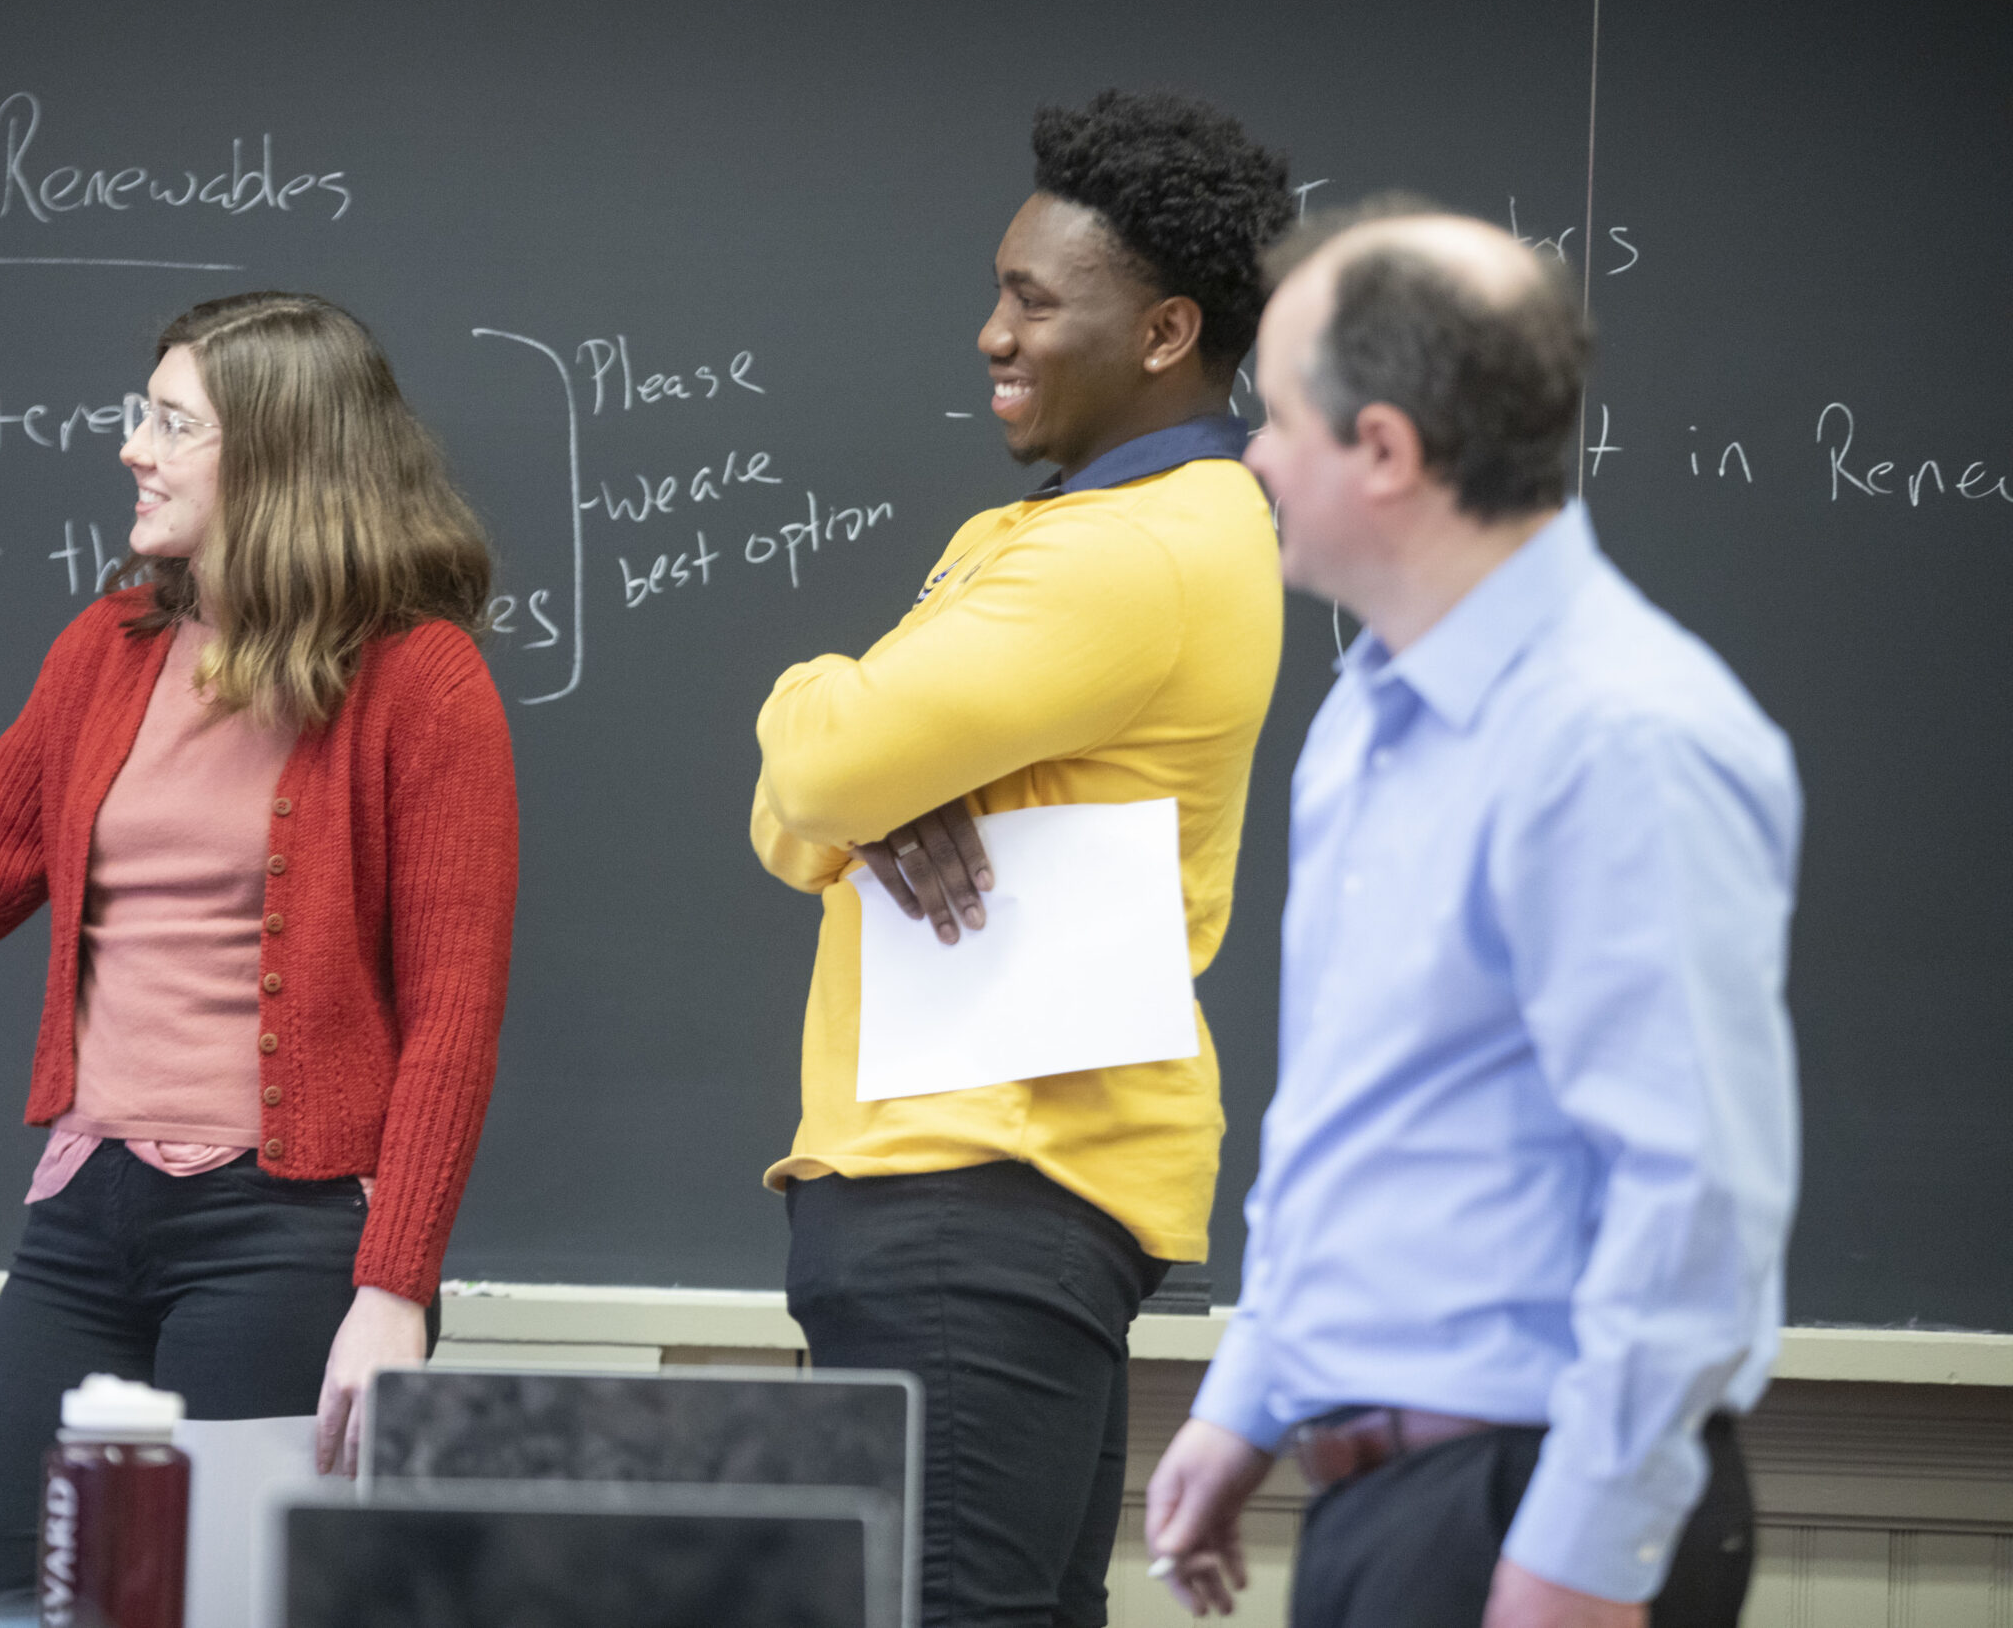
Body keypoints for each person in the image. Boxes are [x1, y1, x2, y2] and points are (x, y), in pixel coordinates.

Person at [0, 292, 519, 1602]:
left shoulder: (420, 679)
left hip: (282, 1238)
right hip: (85, 1218)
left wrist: (395, 1289)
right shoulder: (106, 650)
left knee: (209, 1605)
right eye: (145, 414)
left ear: (279, 454)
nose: (133, 446)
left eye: (172, 423)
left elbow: (453, 1017)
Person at [1141, 204, 1799, 1628]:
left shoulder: (1621, 738)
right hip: (1384, 1501)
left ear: (1384, 451)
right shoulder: (1370, 718)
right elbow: (1352, 1119)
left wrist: (1580, 1553)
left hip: (1533, 1514)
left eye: (1282, 420)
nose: (1251, 454)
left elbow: (1692, 1194)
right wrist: (1248, 1400)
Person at [749, 89, 1293, 1627]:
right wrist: (855, 780)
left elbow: (813, 767)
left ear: (1168, 330)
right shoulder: (1091, 534)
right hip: (996, 1194)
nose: (992, 331)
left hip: (970, 1188)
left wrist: (817, 709)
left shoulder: (1120, 552)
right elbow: (804, 825)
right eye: (1000, 289)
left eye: (1036, 300)